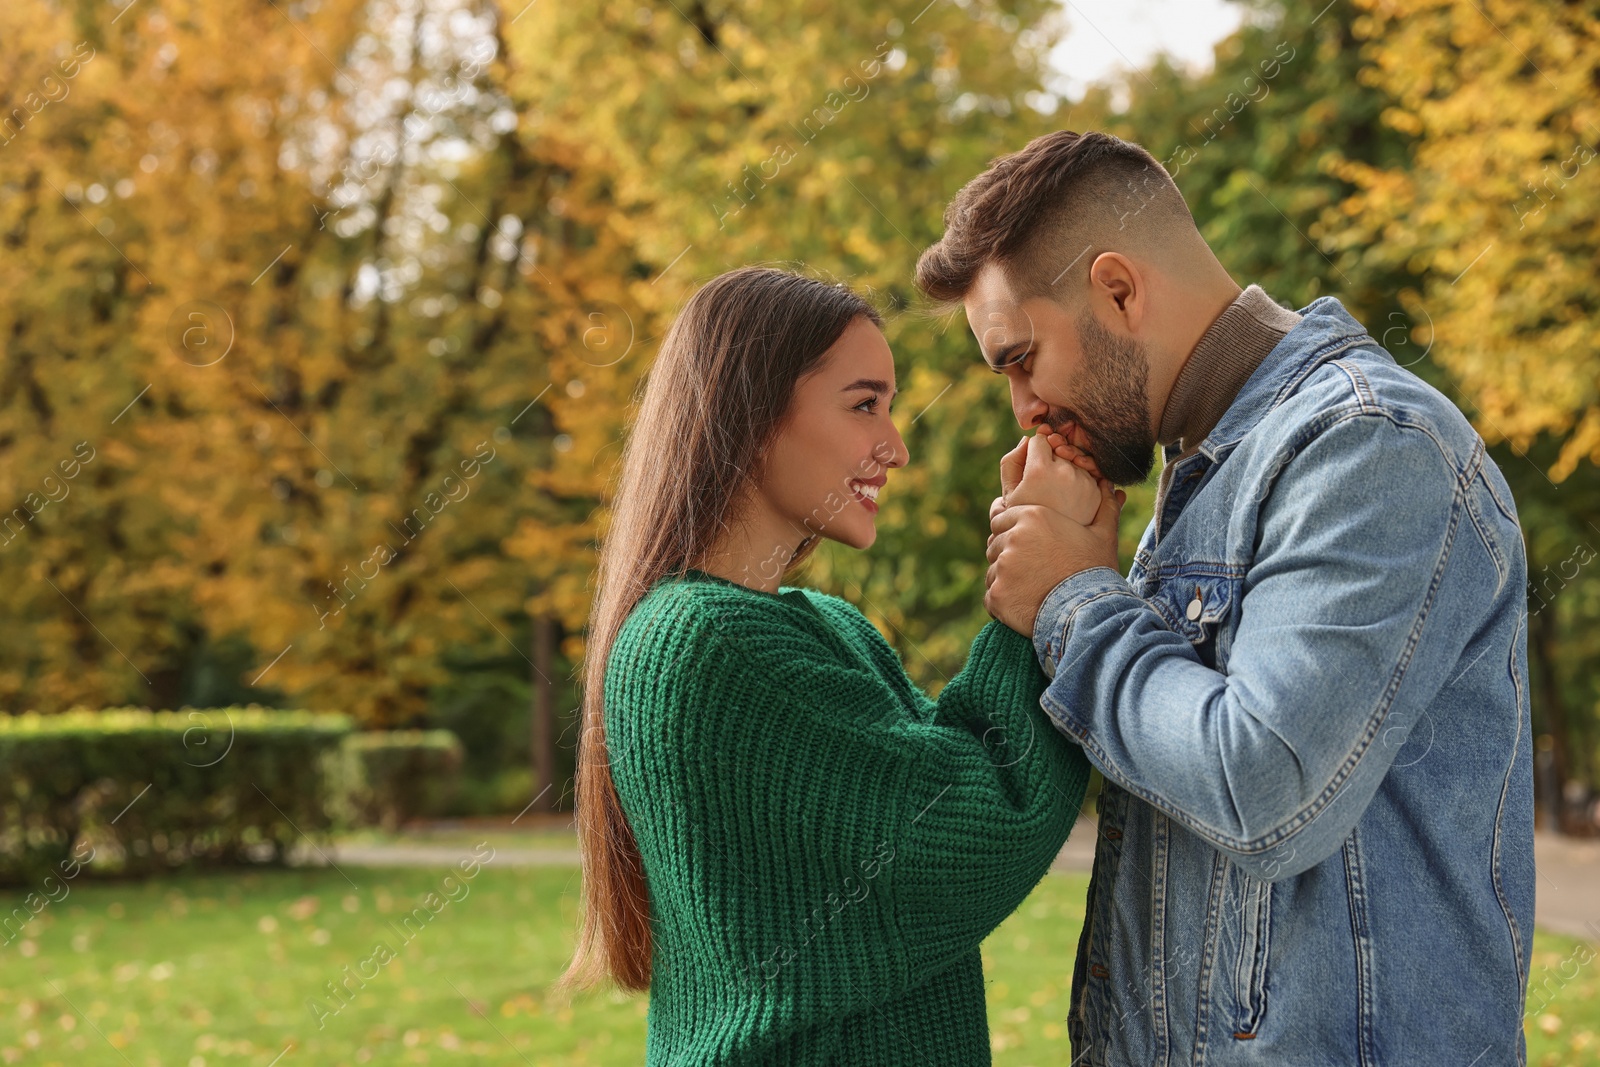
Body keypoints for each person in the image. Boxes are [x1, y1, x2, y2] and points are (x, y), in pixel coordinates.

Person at [918, 130, 1535, 1066]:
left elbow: (1264, 788)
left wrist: (1072, 598)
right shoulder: (1198, 474)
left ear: (1119, 290)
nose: (1022, 407)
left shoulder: (1369, 444)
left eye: (1020, 357)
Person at [558, 265, 1097, 1064]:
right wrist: (1038, 594)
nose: (896, 445)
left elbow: (956, 762)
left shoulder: (827, 627)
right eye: (864, 404)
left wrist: (1036, 559)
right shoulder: (704, 643)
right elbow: (979, 825)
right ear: (750, 409)